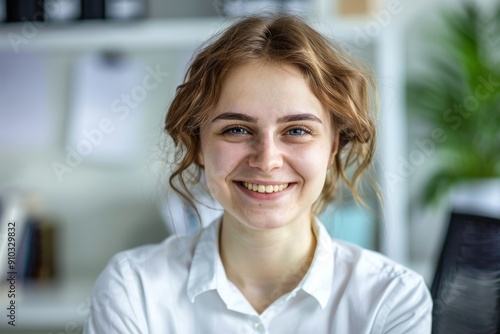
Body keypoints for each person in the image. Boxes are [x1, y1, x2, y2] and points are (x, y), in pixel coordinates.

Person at [84, 15, 432, 333]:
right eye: (236, 130)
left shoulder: (392, 300)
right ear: (199, 145)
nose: (267, 160)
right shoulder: (133, 290)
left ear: (332, 146)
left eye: (296, 131)